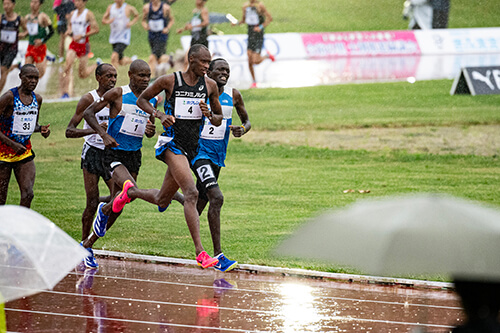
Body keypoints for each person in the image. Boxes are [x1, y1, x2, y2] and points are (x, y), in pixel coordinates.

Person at [136, 44, 223, 269]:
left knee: (161, 199)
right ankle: (200, 253)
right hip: (172, 144)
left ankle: (131, 191)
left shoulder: (211, 85)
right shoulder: (170, 81)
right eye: (203, 62)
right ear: (191, 59)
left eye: (209, 62)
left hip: (193, 147)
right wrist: (159, 114)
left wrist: (209, 114)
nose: (207, 66)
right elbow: (142, 100)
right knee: (192, 192)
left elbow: (218, 119)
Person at [81, 59, 160, 269]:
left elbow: (145, 129)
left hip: (134, 154)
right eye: (141, 75)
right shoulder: (117, 94)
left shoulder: (151, 100)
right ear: (131, 75)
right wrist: (103, 134)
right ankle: (105, 209)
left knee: (122, 202)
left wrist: (149, 131)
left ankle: (89, 243)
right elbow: (88, 113)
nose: (145, 80)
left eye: (148, 76)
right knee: (129, 189)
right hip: (114, 153)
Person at [191, 58, 251, 272]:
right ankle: (218, 256)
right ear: (209, 72)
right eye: (219, 70)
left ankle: (167, 198)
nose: (224, 73)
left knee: (199, 202)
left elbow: (247, 121)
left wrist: (242, 129)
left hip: (218, 157)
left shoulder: (233, 95)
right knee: (217, 197)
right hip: (199, 154)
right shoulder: (199, 93)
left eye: (227, 70)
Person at [65, 63, 117, 244]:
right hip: (92, 152)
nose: (112, 80)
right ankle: (84, 244)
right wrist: (94, 131)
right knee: (91, 204)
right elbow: (69, 131)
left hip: (111, 154)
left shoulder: (117, 97)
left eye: (115, 76)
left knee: (119, 198)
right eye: (108, 76)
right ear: (98, 78)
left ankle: (103, 210)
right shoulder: (89, 99)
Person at [0, 64, 50, 207]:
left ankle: (23, 227)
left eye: (36, 78)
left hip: (24, 152)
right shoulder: (9, 97)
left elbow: (32, 125)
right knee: (1, 199)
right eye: (29, 77)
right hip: (3, 153)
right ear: (21, 77)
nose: (33, 81)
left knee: (28, 194)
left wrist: (41, 130)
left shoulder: (37, 99)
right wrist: (12, 144)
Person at [61, 0, 99, 99]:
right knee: (68, 66)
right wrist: (68, 31)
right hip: (73, 44)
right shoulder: (72, 14)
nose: (76, 3)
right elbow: (69, 26)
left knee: (82, 74)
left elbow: (96, 29)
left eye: (79, 1)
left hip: (84, 45)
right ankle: (65, 93)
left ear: (84, 2)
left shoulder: (88, 14)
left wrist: (82, 35)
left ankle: (96, 65)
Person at [235, 0, 274, 89]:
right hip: (250, 35)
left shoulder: (260, 6)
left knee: (255, 61)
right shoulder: (245, 7)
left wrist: (260, 27)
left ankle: (267, 56)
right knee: (249, 60)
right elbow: (244, 20)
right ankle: (254, 81)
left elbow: (269, 18)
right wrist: (236, 23)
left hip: (258, 36)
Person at [0, 0, 27, 94]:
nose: (6, 6)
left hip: (11, 49)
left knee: (3, 69)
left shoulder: (19, 19)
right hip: (1, 47)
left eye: (8, 4)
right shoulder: (1, 17)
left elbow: (26, 31)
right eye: (4, 4)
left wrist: (21, 35)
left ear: (13, 5)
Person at [141, 0, 174, 78]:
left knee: (152, 57)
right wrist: (145, 26)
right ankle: (169, 58)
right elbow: (143, 20)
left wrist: (167, 28)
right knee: (159, 59)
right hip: (152, 36)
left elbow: (171, 20)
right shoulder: (146, 8)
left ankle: (150, 80)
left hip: (162, 36)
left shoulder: (165, 8)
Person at [102, 0, 139, 69]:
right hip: (114, 37)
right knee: (120, 61)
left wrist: (131, 23)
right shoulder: (110, 8)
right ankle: (132, 60)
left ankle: (113, 77)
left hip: (124, 37)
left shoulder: (128, 8)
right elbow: (103, 20)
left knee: (114, 56)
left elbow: (136, 15)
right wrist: (108, 21)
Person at [25, 0, 55, 79]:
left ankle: (46, 60)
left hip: (40, 48)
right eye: (32, 2)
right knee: (26, 72)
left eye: (35, 2)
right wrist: (24, 34)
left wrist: (42, 40)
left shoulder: (43, 17)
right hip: (30, 46)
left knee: (38, 74)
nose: (33, 4)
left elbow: (51, 31)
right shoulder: (27, 17)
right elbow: (29, 31)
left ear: (40, 4)